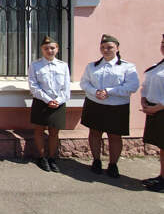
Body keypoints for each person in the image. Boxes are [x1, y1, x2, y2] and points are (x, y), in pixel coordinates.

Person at [80, 34, 139, 178]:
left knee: (114, 136)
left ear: (117, 48)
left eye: (109, 47)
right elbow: (84, 83)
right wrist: (95, 92)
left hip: (116, 106)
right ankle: (96, 161)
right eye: (103, 47)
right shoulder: (92, 66)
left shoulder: (127, 67)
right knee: (94, 133)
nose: (106, 50)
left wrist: (109, 91)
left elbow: (133, 86)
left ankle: (113, 165)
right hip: (95, 104)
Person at [27, 36, 71, 173]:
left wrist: (58, 100)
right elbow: (33, 85)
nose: (49, 50)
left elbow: (66, 87)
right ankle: (42, 158)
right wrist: (47, 100)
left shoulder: (63, 66)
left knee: (54, 132)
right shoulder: (35, 65)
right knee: (39, 130)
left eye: (52, 48)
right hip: (41, 102)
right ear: (42, 50)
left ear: (57, 49)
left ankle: (52, 158)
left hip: (58, 102)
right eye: (46, 48)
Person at [140, 34, 164, 192]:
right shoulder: (158, 66)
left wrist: (156, 108)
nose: (163, 46)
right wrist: (143, 100)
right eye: (163, 43)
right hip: (155, 110)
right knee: (162, 147)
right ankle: (162, 176)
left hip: (160, 110)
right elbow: (146, 85)